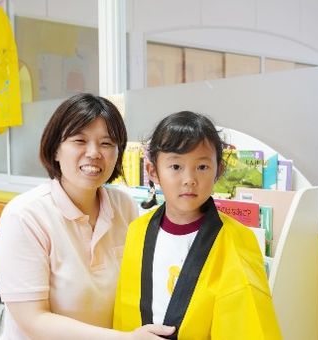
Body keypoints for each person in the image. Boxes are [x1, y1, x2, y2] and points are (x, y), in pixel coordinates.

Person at [0, 93, 175, 339]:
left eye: (107, 143)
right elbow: (32, 319)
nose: (94, 153)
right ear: (55, 150)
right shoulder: (25, 216)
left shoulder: (124, 206)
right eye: (79, 140)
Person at [113, 111, 282, 339]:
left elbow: (248, 324)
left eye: (202, 167)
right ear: (153, 171)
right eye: (175, 167)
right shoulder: (138, 231)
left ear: (218, 170)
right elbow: (125, 314)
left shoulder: (237, 239)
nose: (189, 179)